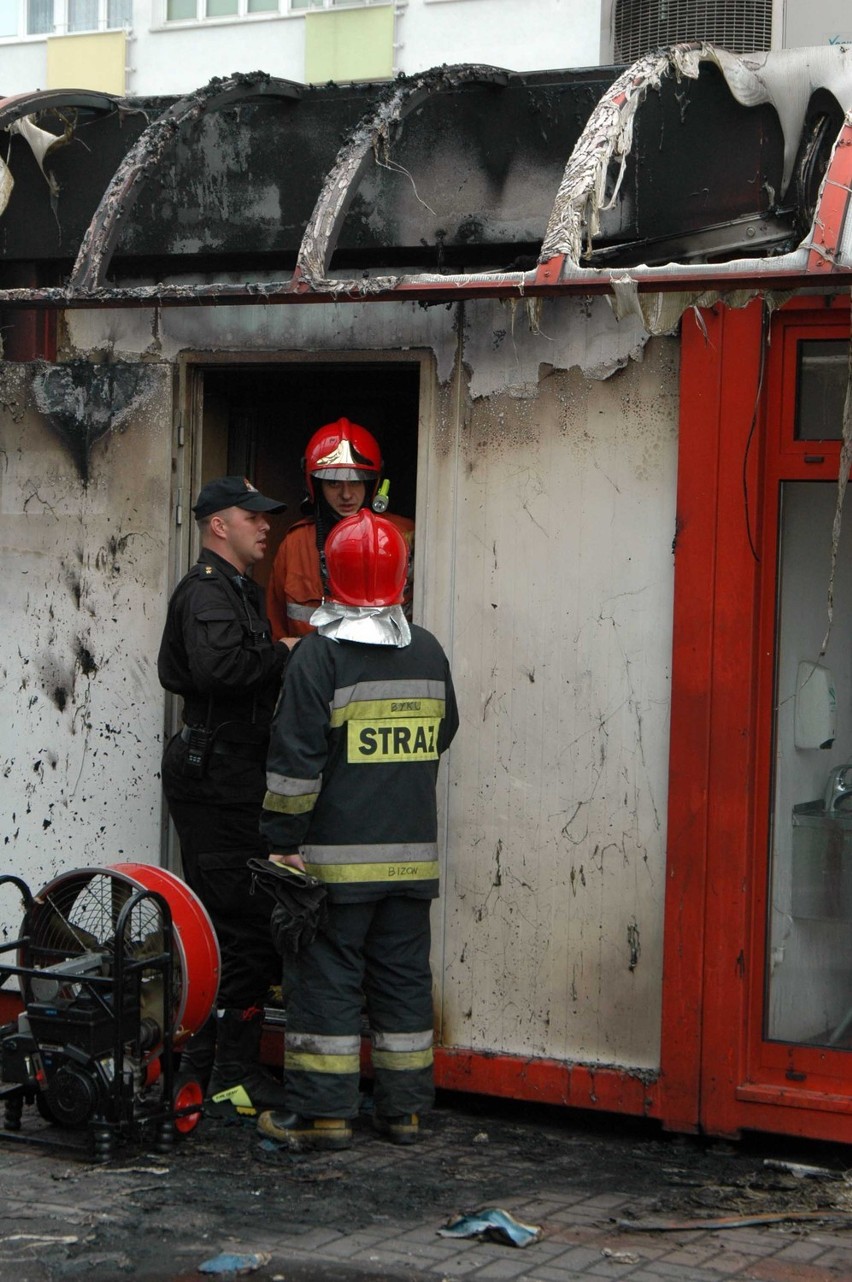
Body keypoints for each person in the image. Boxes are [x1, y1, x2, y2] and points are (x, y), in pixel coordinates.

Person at [256, 509, 458, 1151]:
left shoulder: (318, 657)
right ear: (403, 576)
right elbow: (442, 734)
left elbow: (294, 765)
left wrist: (281, 843)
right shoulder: (427, 649)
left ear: (328, 577)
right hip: (410, 865)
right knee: (402, 984)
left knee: (327, 984)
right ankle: (404, 1114)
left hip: (333, 868)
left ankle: (323, 1116)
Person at [157, 475, 294, 1119]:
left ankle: (209, 1068)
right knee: (243, 928)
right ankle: (230, 1076)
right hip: (220, 784)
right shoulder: (209, 592)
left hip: (233, 778)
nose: (265, 526)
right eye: (253, 517)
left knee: (230, 928)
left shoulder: (235, 589)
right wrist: (285, 653)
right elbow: (221, 670)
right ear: (219, 525)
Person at [265, 417, 414, 643]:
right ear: (315, 485)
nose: (346, 495)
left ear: (372, 483)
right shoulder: (295, 543)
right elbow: (276, 626)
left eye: (355, 482)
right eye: (334, 483)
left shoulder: (401, 535)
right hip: (313, 669)